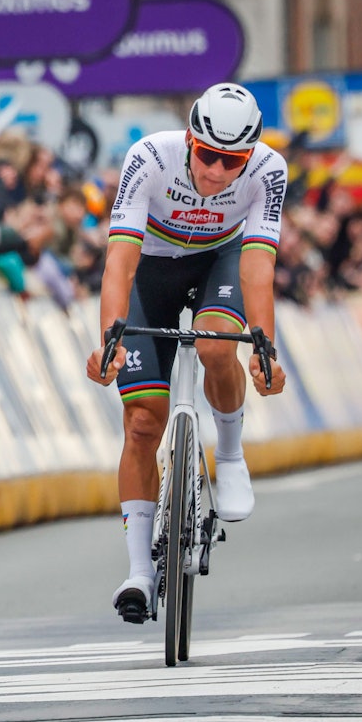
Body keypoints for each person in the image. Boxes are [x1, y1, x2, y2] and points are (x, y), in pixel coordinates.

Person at [85, 83, 288, 624]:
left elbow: (258, 265)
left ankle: (229, 453)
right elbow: (120, 261)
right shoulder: (150, 156)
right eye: (209, 155)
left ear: (250, 155)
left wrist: (263, 346)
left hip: (219, 262)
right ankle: (139, 575)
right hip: (150, 271)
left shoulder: (270, 170)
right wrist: (109, 337)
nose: (219, 172)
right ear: (191, 140)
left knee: (217, 342)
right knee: (141, 424)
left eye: (233, 161)